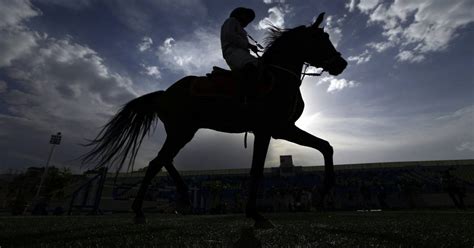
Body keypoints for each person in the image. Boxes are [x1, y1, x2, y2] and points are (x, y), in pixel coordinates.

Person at [220, 7, 261, 100]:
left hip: (241, 52)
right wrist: (249, 45)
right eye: (247, 17)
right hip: (232, 51)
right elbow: (229, 35)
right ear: (240, 14)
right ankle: (247, 98)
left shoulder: (241, 28)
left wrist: (249, 47)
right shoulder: (231, 21)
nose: (248, 21)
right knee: (253, 65)